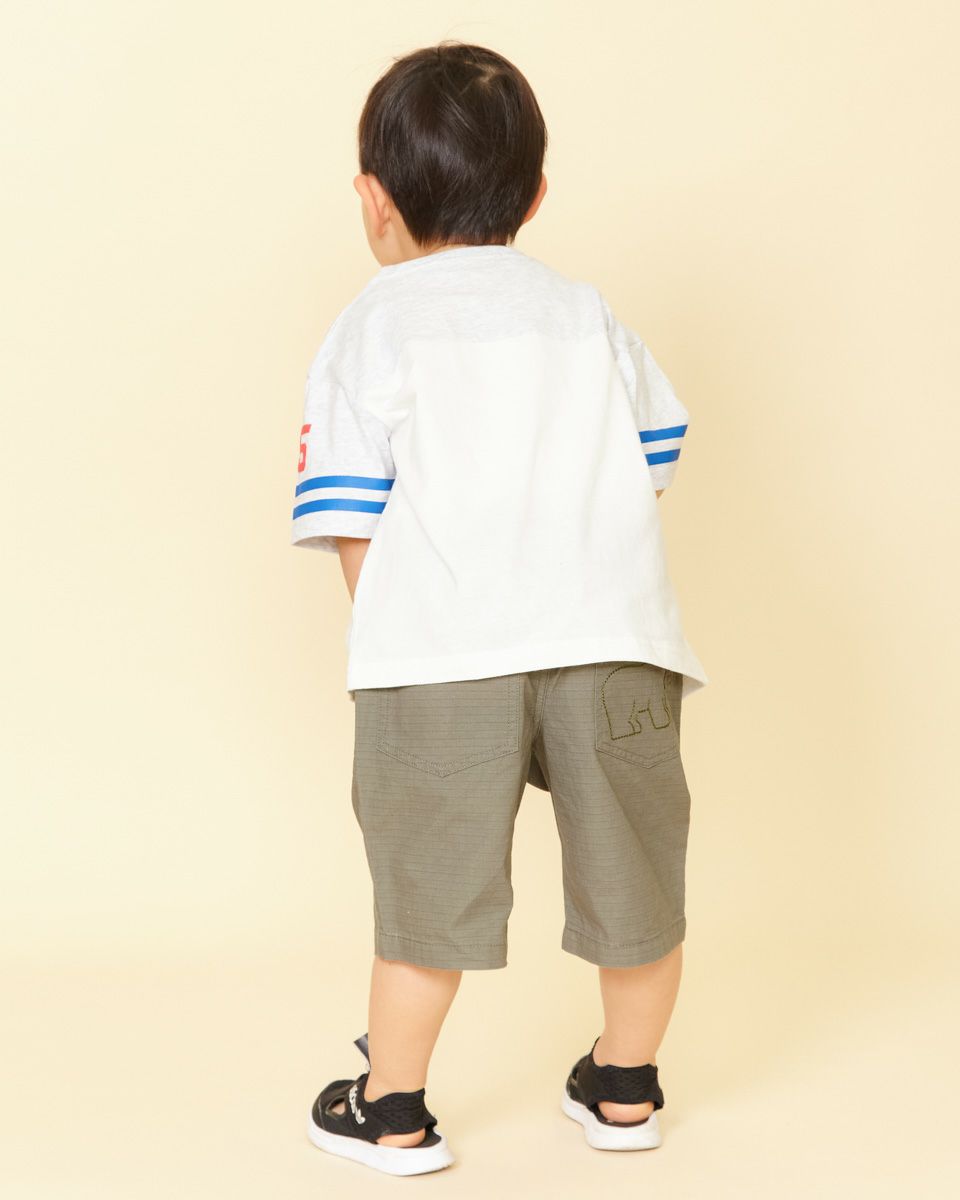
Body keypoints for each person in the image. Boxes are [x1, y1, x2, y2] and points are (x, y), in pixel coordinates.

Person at [291, 40, 709, 1177]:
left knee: (426, 896)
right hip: (613, 638)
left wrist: (390, 633)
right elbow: (653, 453)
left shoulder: (372, 324)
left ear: (374, 200)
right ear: (533, 195)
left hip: (441, 651)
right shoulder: (585, 313)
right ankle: (625, 1089)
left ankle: (393, 1110)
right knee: (637, 881)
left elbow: (350, 510)